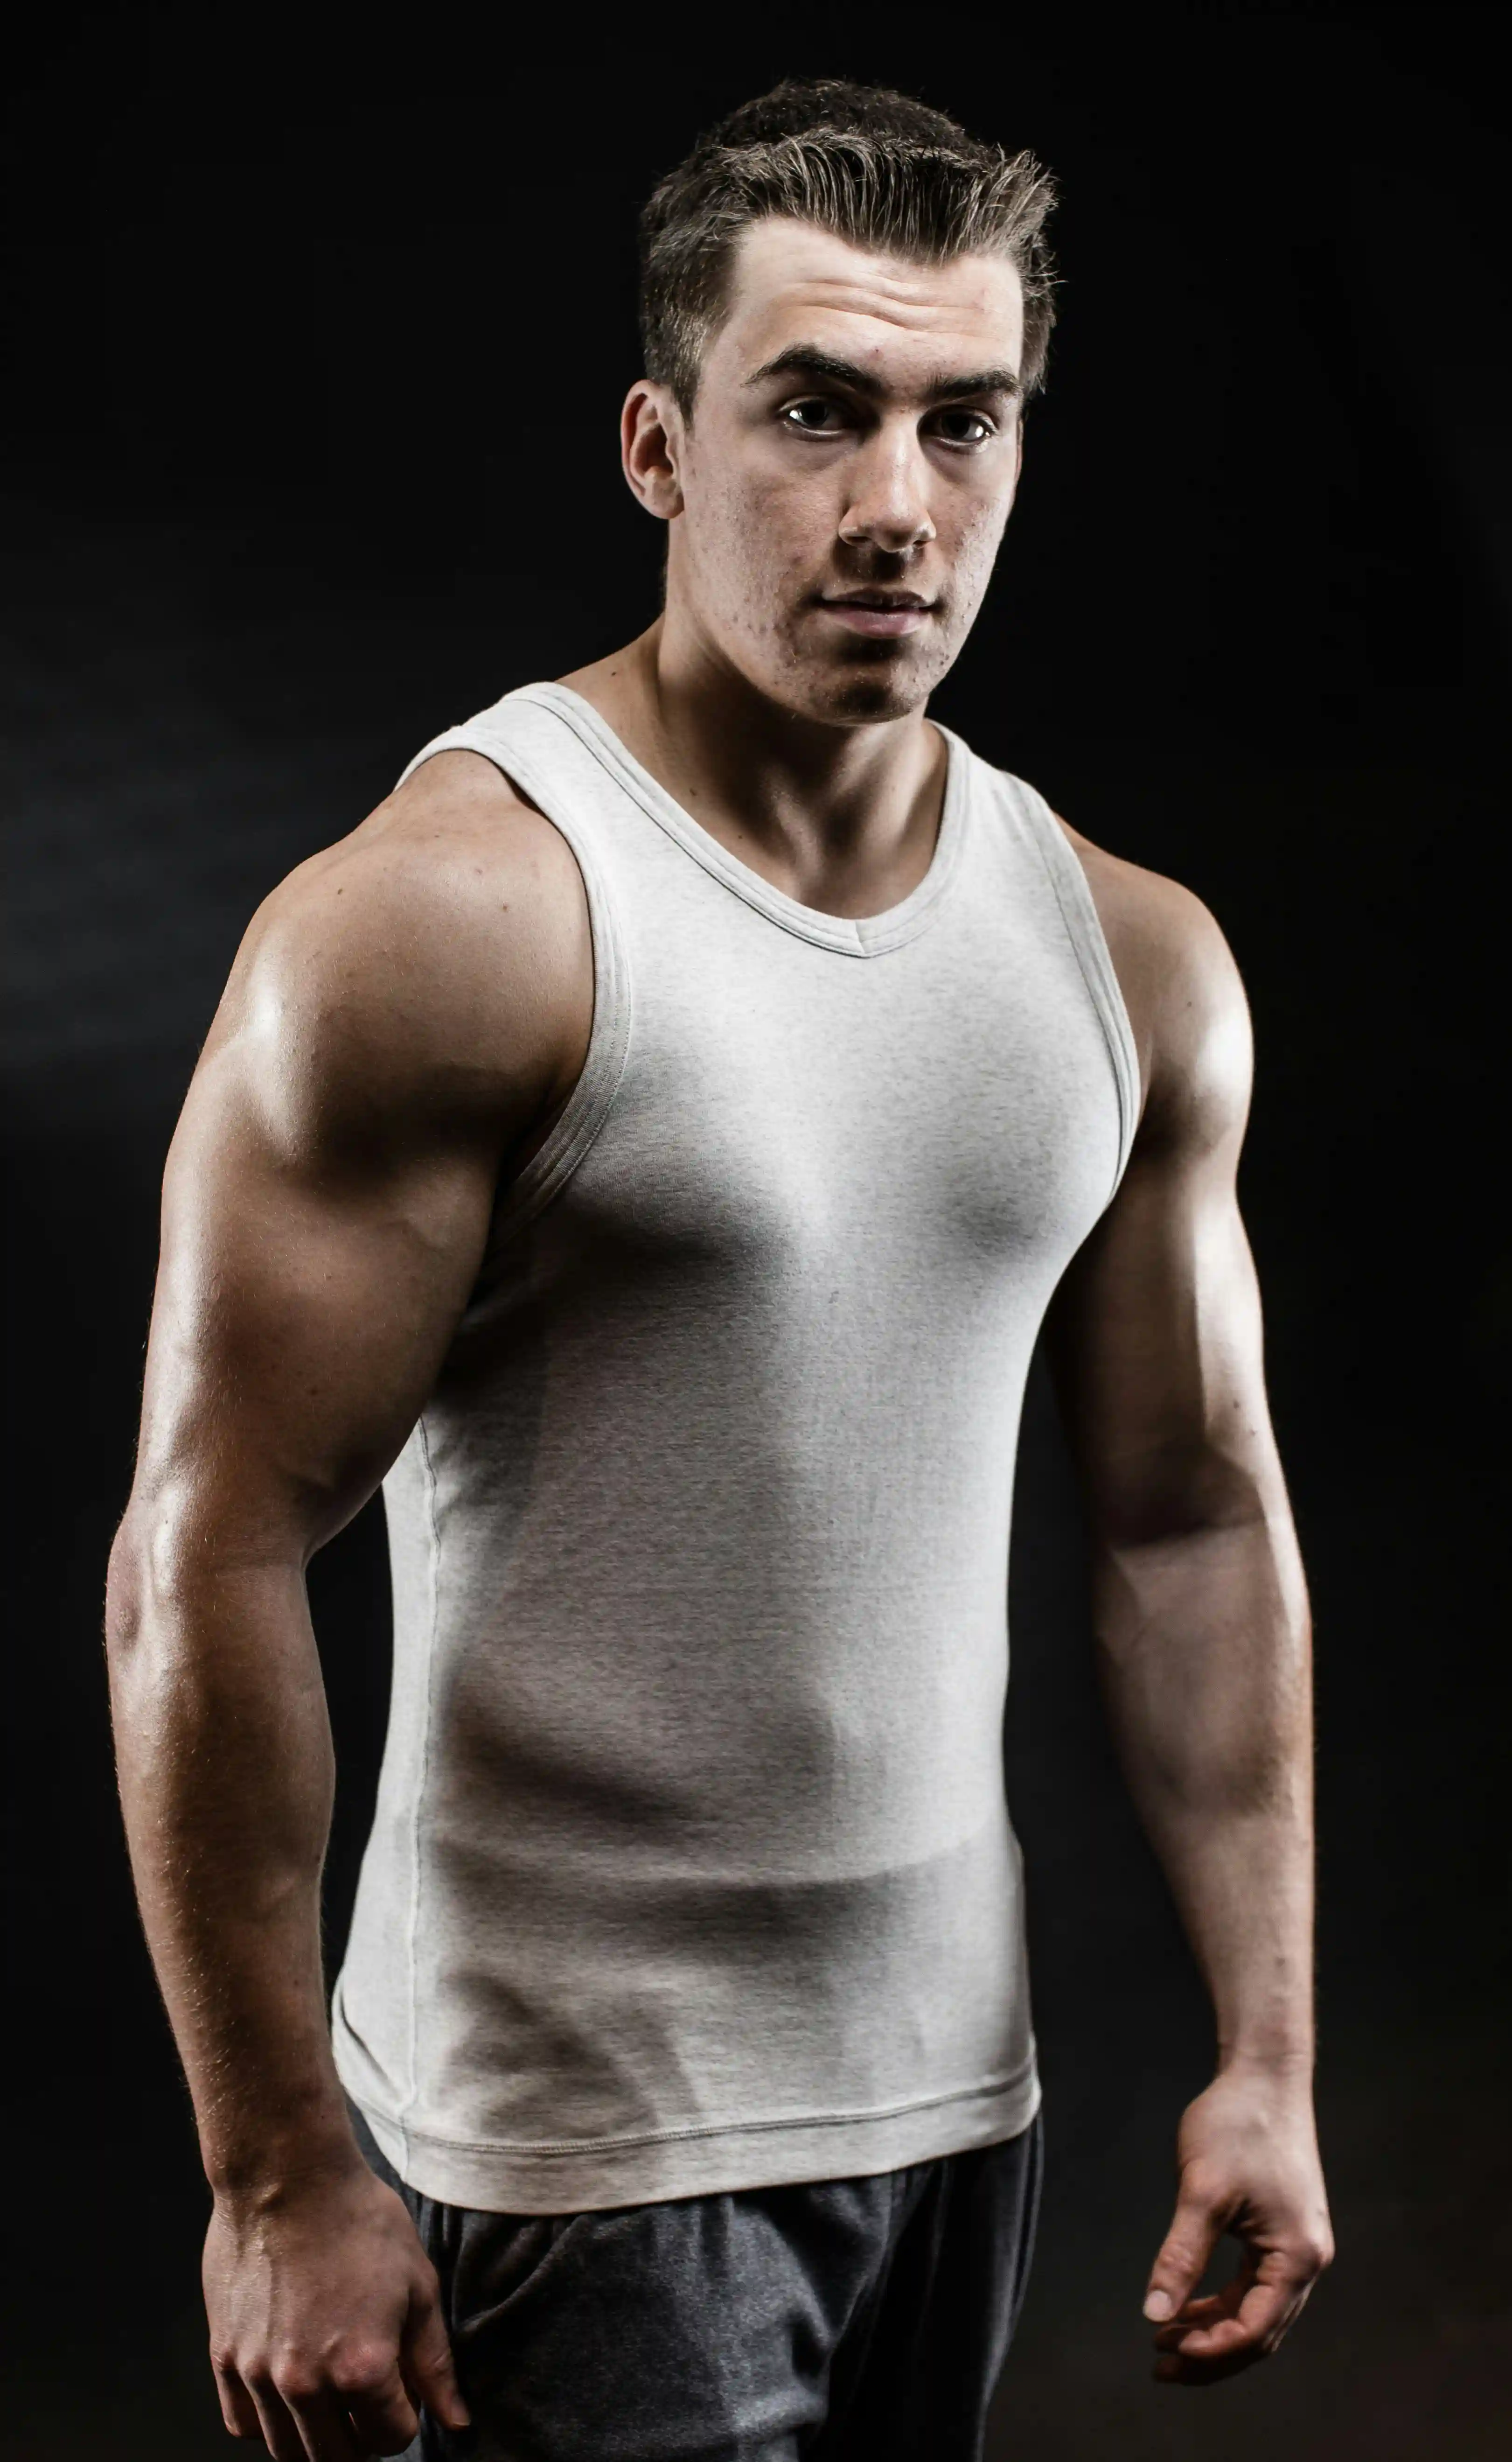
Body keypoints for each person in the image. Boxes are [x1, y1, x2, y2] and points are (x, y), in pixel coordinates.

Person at [106, 77, 1331, 2462]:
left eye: (965, 420)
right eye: (816, 410)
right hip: (566, 2159)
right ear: (659, 447)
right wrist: (273, 2167)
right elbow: (207, 1543)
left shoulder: (1126, 961)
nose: (898, 505)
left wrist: (1269, 2052)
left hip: (960, 2114)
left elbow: (1197, 1520)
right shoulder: (449, 926)